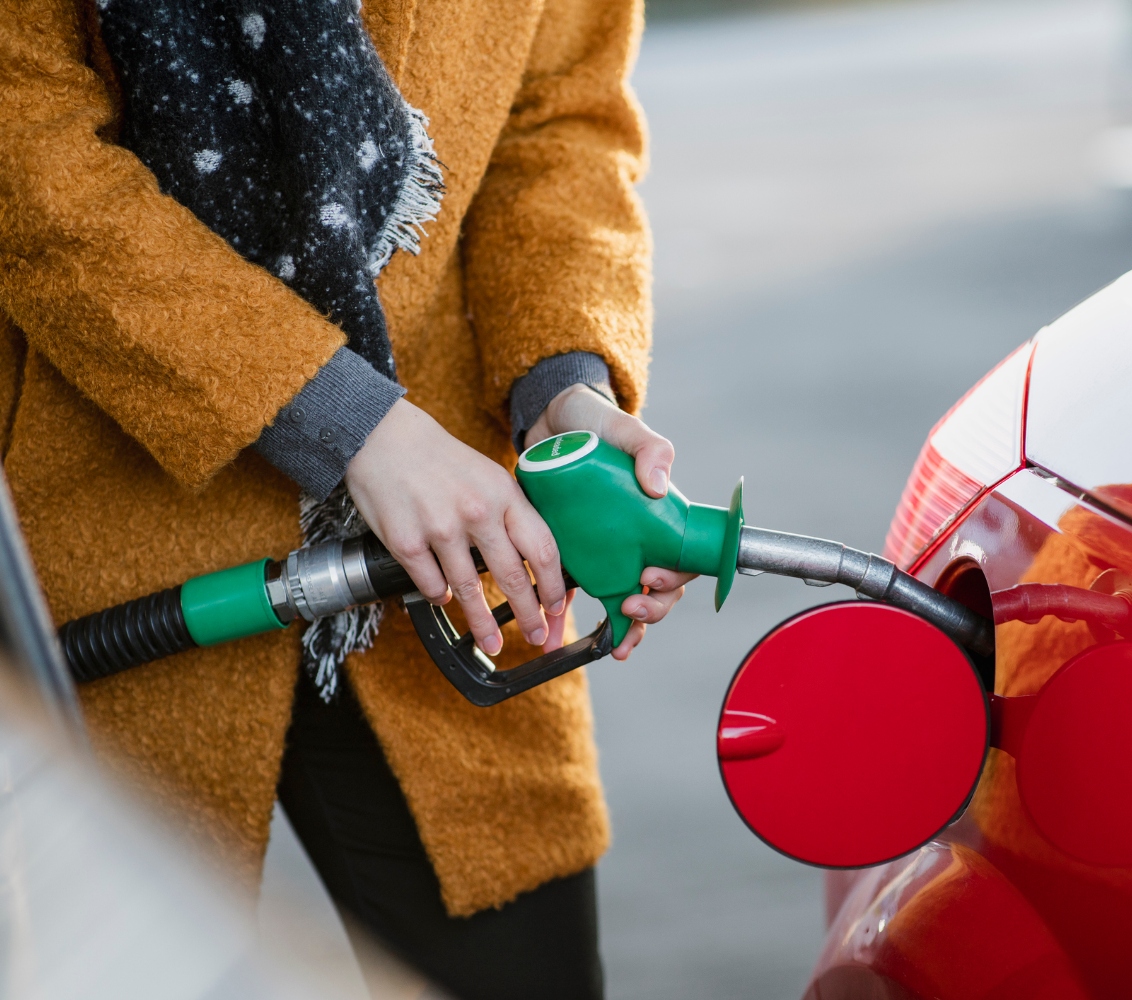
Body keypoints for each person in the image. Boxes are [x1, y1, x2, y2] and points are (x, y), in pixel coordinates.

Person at [0, 0, 680, 996]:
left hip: (446, 537)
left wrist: (563, 384)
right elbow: (28, 160)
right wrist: (347, 422)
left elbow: (562, 114)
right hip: (105, 507)